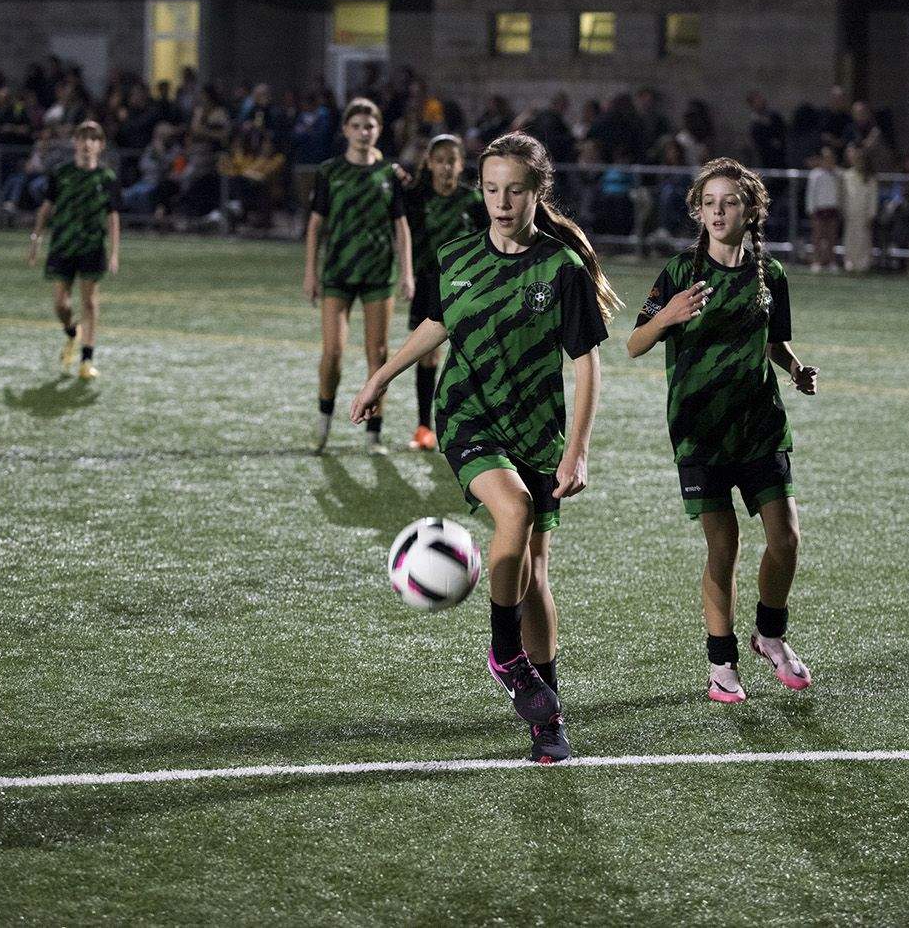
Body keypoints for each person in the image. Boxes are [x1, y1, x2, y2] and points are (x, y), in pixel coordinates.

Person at [349, 132, 619, 764]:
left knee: (536, 576)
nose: (501, 202)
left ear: (537, 193)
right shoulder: (457, 256)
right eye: (492, 189)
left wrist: (577, 451)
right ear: (481, 190)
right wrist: (380, 378)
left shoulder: (562, 268)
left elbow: (586, 366)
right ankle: (504, 652)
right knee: (514, 509)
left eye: (515, 191)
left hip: (538, 429)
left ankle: (546, 717)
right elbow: (436, 324)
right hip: (468, 416)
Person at [627, 157, 818, 704]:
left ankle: (770, 634)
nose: (717, 211)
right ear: (697, 210)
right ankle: (721, 662)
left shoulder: (770, 274)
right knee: (724, 545)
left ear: (750, 210)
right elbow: (635, 343)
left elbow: (774, 341)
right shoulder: (680, 273)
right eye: (708, 202)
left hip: (760, 426)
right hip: (700, 431)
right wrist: (667, 316)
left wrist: (795, 368)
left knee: (786, 538)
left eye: (728, 202)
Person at [303, 98, 415, 454]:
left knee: (377, 355)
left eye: (369, 126)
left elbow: (401, 226)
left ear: (378, 130)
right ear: (345, 130)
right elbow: (315, 224)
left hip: (378, 273)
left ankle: (373, 434)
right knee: (333, 352)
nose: (363, 132)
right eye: (356, 126)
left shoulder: (389, 174)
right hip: (338, 272)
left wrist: (407, 272)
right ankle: (323, 421)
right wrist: (310, 272)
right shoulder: (330, 171)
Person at [401, 134, 484, 451]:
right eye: (440, 161)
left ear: (461, 165)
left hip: (466, 286)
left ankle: (471, 427)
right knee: (427, 355)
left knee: (471, 355)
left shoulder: (473, 200)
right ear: (430, 164)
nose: (446, 167)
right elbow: (393, 202)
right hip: (428, 284)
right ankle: (424, 428)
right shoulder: (417, 197)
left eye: (452, 161)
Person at [25, 121, 121, 381]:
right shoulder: (61, 173)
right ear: (75, 143)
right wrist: (36, 239)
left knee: (89, 302)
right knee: (61, 304)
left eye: (93, 139)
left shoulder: (107, 178)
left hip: (92, 246)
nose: (87, 143)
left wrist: (114, 252)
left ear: (101, 145)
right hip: (63, 245)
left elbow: (113, 217)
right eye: (83, 138)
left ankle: (87, 360)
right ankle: (71, 331)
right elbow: (46, 208)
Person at [840, 143, 878, 273]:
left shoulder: (870, 178)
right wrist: (843, 210)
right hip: (850, 212)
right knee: (850, 237)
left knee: (864, 238)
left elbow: (872, 198)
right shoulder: (847, 175)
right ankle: (850, 262)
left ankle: (863, 263)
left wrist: (871, 214)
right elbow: (844, 195)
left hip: (864, 213)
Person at [805, 144, 841, 272]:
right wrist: (811, 209)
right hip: (819, 209)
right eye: (826, 158)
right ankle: (817, 261)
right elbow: (811, 194)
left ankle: (831, 261)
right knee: (817, 236)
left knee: (832, 237)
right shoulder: (815, 174)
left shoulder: (838, 173)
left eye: (830, 157)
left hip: (832, 208)